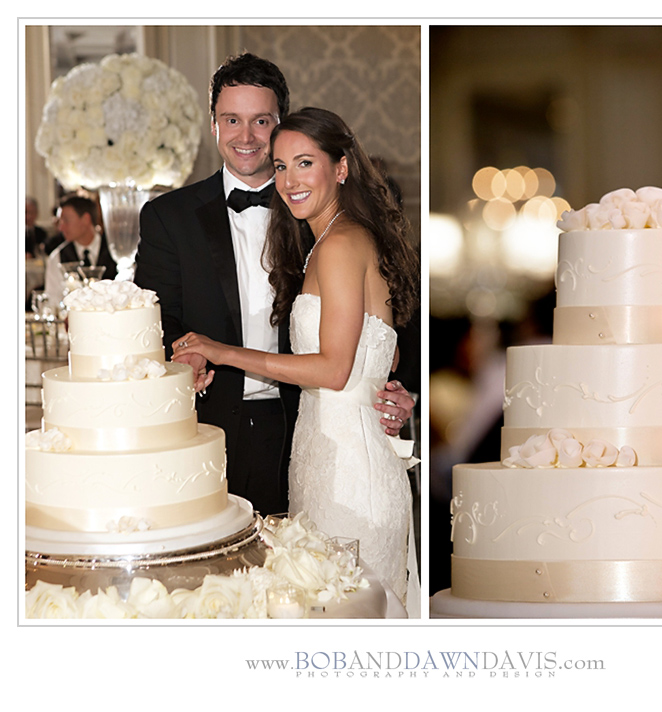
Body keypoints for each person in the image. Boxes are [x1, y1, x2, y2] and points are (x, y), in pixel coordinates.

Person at [134, 53, 415, 519]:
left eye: (261, 121)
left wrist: (387, 388)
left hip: (300, 427)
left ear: (280, 123)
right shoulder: (168, 217)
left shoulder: (318, 214)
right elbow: (157, 319)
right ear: (213, 125)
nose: (246, 136)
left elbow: (378, 331)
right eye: (232, 120)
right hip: (206, 426)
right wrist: (188, 355)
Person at [172, 107, 420, 606]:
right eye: (281, 166)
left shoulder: (341, 243)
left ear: (341, 167)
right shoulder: (330, 239)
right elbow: (380, 354)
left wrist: (222, 352)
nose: (289, 181)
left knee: (343, 612)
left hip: (349, 474)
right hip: (324, 456)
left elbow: (334, 369)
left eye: (305, 163)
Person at [44, 195, 117, 308]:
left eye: (66, 221)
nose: (61, 228)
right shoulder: (57, 257)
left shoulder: (115, 251)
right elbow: (52, 301)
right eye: (60, 222)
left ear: (86, 219)